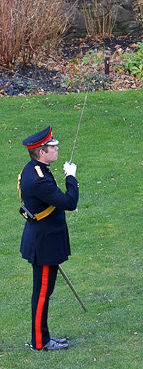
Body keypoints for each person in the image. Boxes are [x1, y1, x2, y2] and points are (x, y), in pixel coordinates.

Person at [19, 126, 79, 351]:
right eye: (52, 146)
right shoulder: (40, 179)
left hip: (43, 238)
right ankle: (40, 342)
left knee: (44, 291)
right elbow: (69, 202)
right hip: (44, 244)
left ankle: (42, 338)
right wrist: (71, 177)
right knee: (43, 293)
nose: (56, 148)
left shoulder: (34, 168)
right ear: (41, 152)